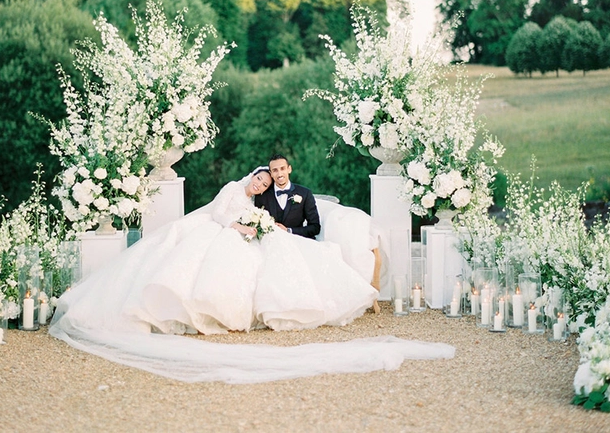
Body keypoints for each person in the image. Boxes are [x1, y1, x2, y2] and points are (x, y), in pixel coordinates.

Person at [49, 166, 455, 383]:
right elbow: (223, 214)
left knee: (275, 253)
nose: (262, 182)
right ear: (250, 178)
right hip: (220, 231)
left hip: (250, 231)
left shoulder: (276, 200)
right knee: (217, 262)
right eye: (259, 177)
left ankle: (310, 299)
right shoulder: (232, 189)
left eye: (266, 179)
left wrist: (260, 226)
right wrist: (245, 226)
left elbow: (280, 221)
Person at [255, 154, 320, 239]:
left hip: (297, 242)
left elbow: (315, 227)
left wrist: (289, 231)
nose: (279, 174)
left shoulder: (305, 193)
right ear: (271, 174)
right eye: (275, 170)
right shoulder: (262, 195)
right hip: (271, 243)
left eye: (282, 168)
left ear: (289, 169)